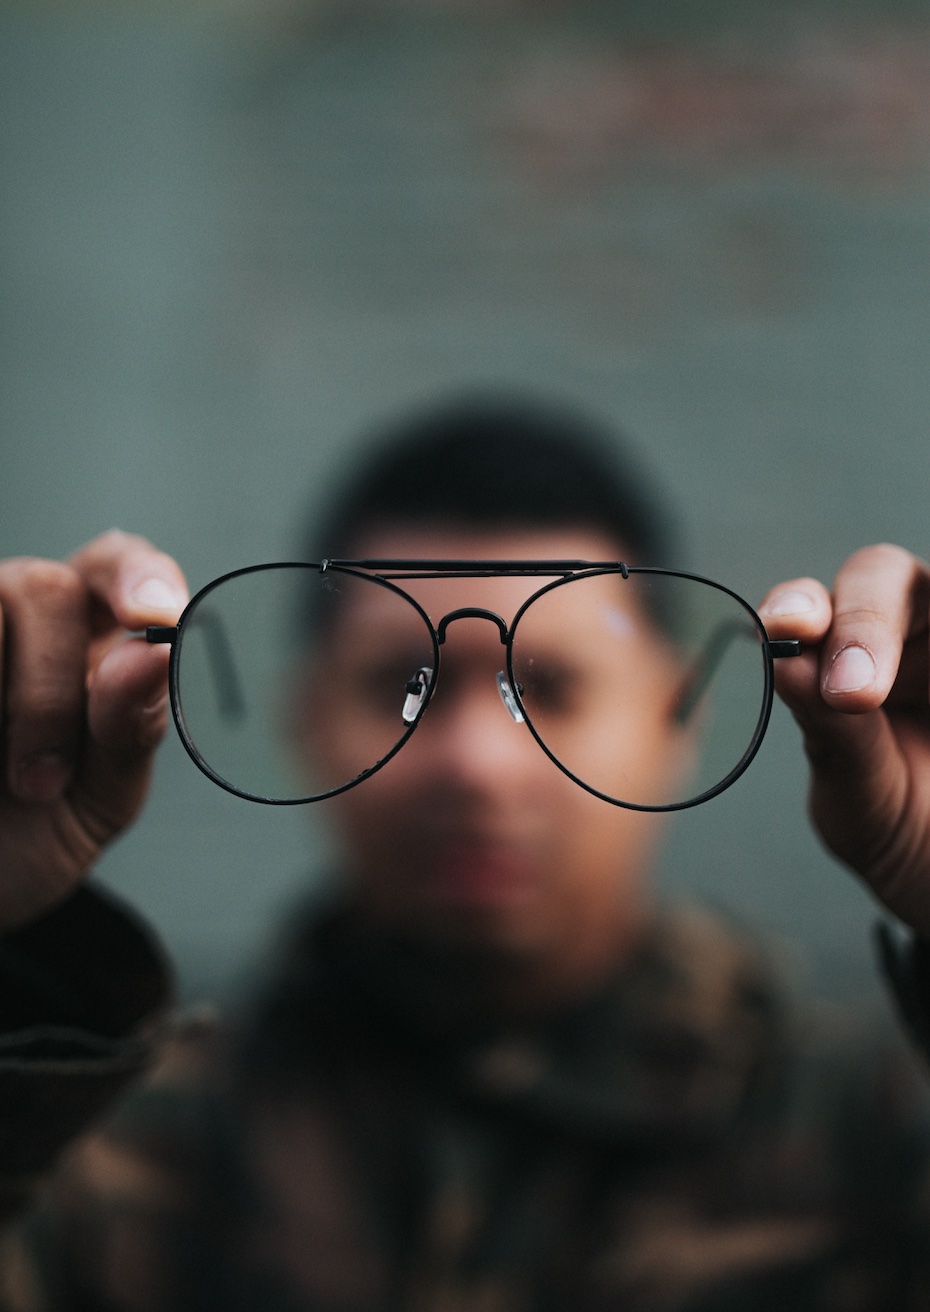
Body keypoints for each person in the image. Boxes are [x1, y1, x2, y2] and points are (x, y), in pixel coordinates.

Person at [0, 394, 929, 1310]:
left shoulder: (872, 1127)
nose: (477, 766)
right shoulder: (105, 1145)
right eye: (403, 683)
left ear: (675, 715)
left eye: (551, 685)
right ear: (307, 718)